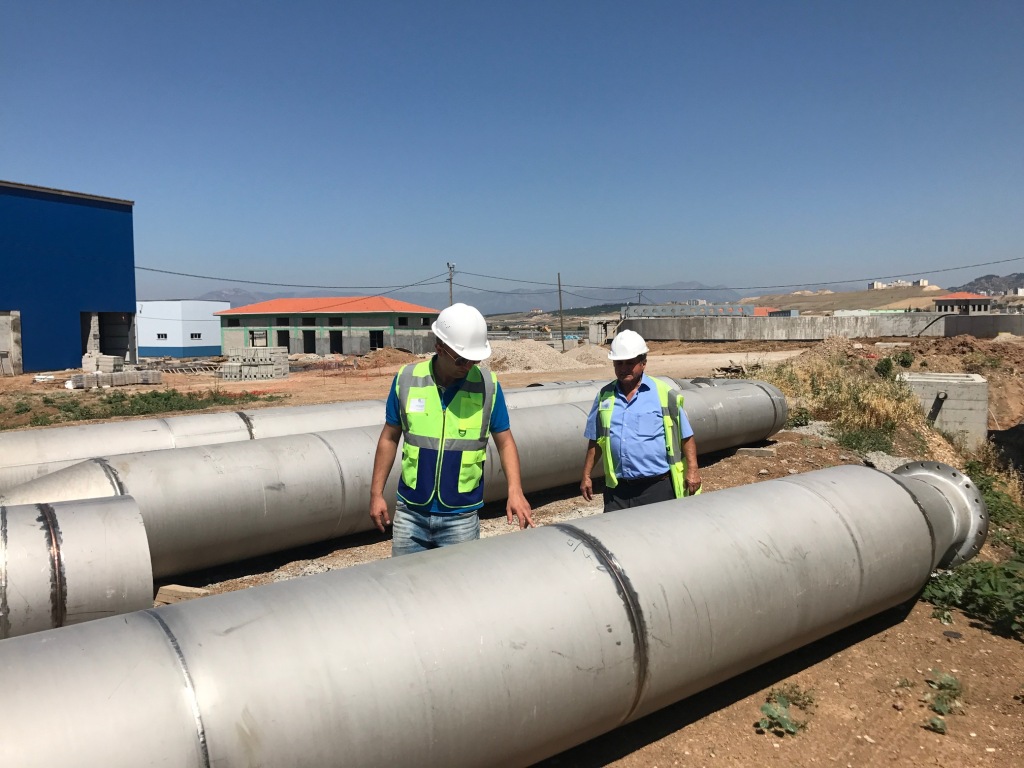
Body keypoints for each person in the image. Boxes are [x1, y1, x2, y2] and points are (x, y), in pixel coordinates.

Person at [369, 302, 534, 555]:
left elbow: (505, 442)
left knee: (459, 580)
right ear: (439, 348)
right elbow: (389, 438)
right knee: (405, 579)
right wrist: (376, 493)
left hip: (461, 517)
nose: (468, 366)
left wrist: (515, 490)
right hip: (411, 513)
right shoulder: (407, 379)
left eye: (475, 359)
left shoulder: (488, 386)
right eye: (461, 360)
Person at [580, 329, 701, 512]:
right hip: (618, 490)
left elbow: (686, 436)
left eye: (630, 363)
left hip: (655, 487)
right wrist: (586, 475)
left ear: (643, 363)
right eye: (619, 363)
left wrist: (693, 469)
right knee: (616, 530)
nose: (623, 368)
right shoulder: (605, 396)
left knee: (657, 530)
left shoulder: (663, 394)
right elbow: (596, 440)